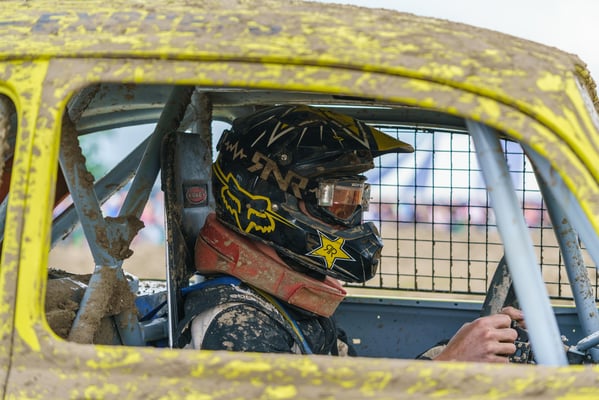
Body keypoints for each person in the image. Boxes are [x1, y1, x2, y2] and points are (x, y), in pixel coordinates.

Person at [178, 104, 524, 361]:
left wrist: (470, 347)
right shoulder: (239, 325)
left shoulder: (287, 304)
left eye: (357, 200)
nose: (355, 220)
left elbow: (360, 389)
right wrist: (449, 366)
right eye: (338, 202)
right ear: (273, 202)